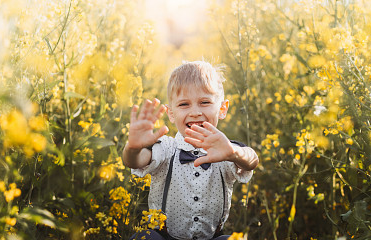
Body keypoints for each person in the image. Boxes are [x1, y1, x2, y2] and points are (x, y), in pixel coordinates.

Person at [123, 61, 259, 240]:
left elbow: (252, 160)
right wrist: (133, 148)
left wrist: (234, 153)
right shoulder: (166, 148)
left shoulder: (226, 149)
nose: (195, 112)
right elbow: (136, 160)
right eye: (184, 105)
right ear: (171, 114)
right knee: (145, 237)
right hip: (164, 237)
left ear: (222, 108)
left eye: (204, 102)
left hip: (210, 237)